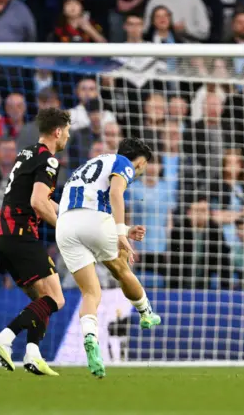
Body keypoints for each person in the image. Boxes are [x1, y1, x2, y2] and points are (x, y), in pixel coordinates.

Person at [57, 138, 161, 378]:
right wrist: (120, 231)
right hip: (93, 221)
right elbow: (115, 193)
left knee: (91, 293)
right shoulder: (123, 162)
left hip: (65, 226)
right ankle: (146, 313)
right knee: (122, 269)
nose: (142, 171)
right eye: (143, 166)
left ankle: (90, 339)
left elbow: (92, 200)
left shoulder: (90, 165)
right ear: (140, 161)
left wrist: (122, 229)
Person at [0, 108, 71, 376]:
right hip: (21, 236)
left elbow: (37, 198)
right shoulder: (49, 161)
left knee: (42, 298)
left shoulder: (27, 153)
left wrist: (67, 212)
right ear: (58, 131)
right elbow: (37, 202)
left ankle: (33, 354)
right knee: (56, 299)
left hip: (5, 237)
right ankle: (5, 338)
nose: (68, 135)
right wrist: (65, 227)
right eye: (67, 130)